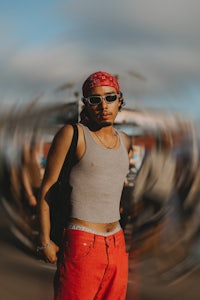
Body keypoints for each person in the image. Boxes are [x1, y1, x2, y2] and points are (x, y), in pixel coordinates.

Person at [38, 71, 132, 299]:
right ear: (86, 104)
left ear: (120, 100)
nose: (103, 105)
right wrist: (45, 241)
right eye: (94, 99)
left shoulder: (125, 141)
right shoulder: (73, 135)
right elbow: (47, 188)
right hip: (82, 243)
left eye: (110, 98)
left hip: (117, 243)